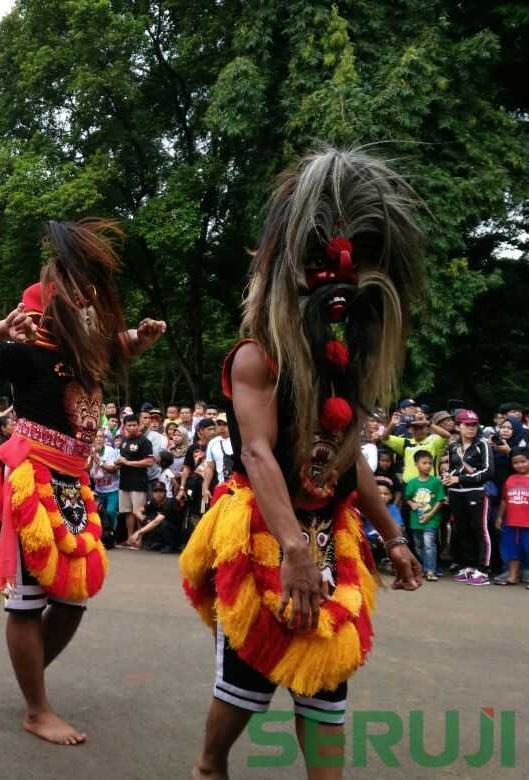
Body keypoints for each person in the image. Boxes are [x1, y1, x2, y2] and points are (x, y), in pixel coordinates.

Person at [181, 148, 423, 779]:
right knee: (245, 687)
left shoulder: (345, 367)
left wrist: (392, 537)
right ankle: (211, 767)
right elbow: (258, 452)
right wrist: (290, 547)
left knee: (325, 683)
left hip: (327, 536)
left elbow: (350, 463)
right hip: (265, 528)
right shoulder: (257, 357)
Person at [0, 219, 165, 746]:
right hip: (31, 478)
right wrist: (5, 327)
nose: (87, 303)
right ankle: (36, 708)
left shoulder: (89, 352)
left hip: (73, 483)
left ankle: (31, 677)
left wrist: (142, 337)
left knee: (71, 599)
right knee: (28, 600)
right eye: (76, 297)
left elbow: (121, 347)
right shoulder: (29, 351)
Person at [445, 410, 494, 585]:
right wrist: (448, 477)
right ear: (458, 426)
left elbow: (488, 471)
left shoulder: (482, 444)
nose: (471, 429)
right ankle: (469, 566)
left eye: (474, 425)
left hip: (477, 491)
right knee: (462, 529)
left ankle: (483, 569)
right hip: (456, 492)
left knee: (480, 529)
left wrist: (461, 478)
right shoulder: (452, 446)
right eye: (467, 425)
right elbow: (452, 468)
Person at [404, 450, 445, 580]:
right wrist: (411, 504)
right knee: (418, 545)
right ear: (417, 464)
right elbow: (408, 497)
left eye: (430, 463)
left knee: (429, 544)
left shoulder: (436, 482)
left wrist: (430, 515)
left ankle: (430, 571)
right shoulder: (412, 483)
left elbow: (440, 500)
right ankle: (422, 567)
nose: (428, 466)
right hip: (416, 519)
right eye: (424, 463)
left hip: (431, 520)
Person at [118, 414, 154, 548]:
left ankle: (139, 539)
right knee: (127, 511)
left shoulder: (144, 441)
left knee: (138, 511)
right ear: (124, 426)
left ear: (138, 425)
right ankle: (130, 538)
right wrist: (119, 462)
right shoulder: (124, 441)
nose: (132, 428)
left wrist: (128, 463)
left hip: (138, 482)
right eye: (129, 425)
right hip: (124, 481)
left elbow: (149, 461)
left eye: (134, 425)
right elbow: (123, 459)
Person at [493, 448, 529, 586]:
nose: (519, 465)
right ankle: (513, 576)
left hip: (527, 523)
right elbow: (504, 500)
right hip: (511, 522)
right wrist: (500, 517)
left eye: (523, 461)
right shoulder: (510, 479)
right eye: (515, 463)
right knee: (511, 549)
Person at [128, 481, 183, 553]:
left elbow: (157, 521)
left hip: (176, 533)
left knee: (161, 522)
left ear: (165, 492)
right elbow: (137, 511)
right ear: (152, 493)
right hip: (163, 528)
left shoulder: (169, 503)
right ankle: (158, 542)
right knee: (149, 518)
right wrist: (144, 518)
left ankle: (170, 545)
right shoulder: (153, 502)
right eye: (156, 491)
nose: (158, 494)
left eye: (161, 491)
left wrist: (138, 532)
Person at [91, 431, 120, 542]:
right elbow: (87, 470)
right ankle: (100, 535)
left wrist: (99, 462)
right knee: (96, 513)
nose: (98, 439)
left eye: (101, 437)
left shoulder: (110, 451)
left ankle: (111, 535)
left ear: (104, 439)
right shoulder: (90, 451)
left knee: (111, 512)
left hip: (112, 489)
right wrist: (92, 456)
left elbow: (112, 469)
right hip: (98, 490)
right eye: (96, 437)